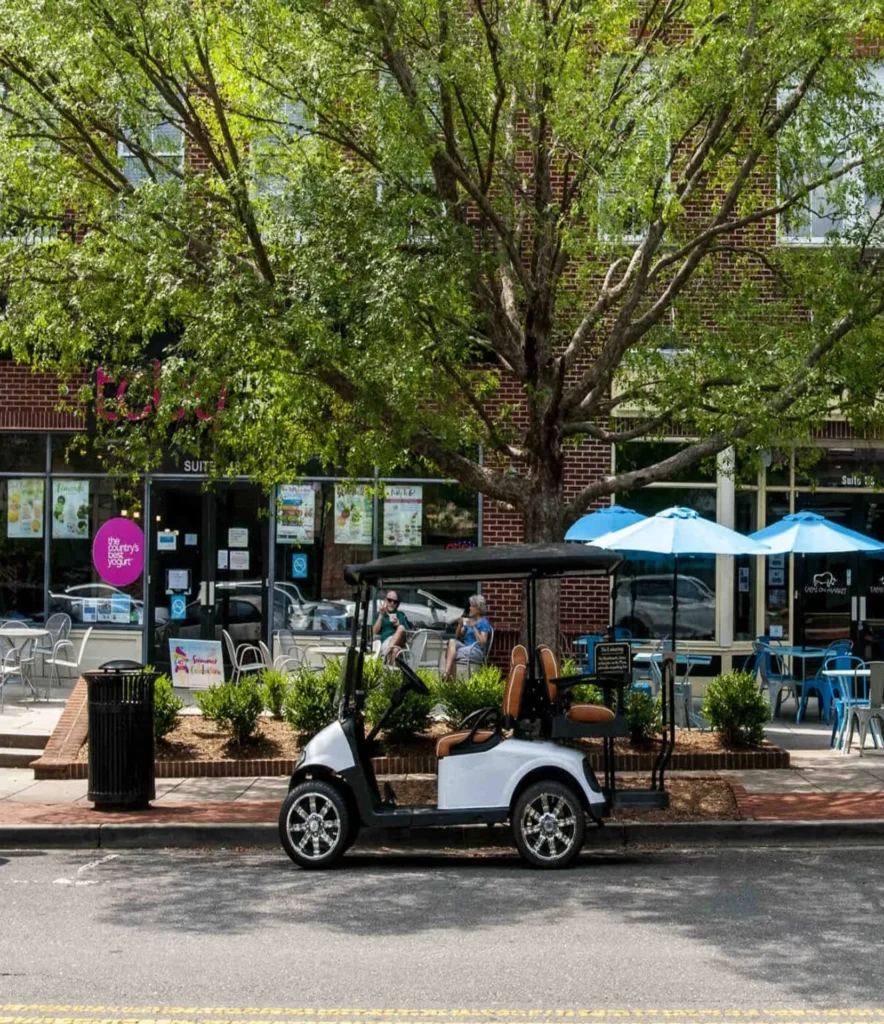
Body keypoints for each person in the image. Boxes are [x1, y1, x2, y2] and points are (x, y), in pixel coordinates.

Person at [442, 595, 491, 680]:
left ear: (478, 608)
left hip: (476, 650)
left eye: (472, 606)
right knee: (452, 641)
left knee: (450, 653)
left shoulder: (484, 622)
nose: (470, 608)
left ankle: (449, 677)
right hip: (466, 647)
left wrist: (474, 627)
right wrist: (460, 624)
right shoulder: (470, 621)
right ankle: (447, 673)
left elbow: (483, 642)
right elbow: (458, 636)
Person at [372, 590, 412, 663]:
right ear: (385, 600)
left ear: (397, 604)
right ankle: (391, 672)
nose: (392, 603)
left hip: (399, 643)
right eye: (389, 600)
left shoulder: (400, 615)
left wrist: (398, 624)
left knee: (401, 627)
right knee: (395, 650)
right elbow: (374, 632)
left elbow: (408, 633)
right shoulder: (379, 614)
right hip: (385, 642)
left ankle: (386, 653)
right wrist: (381, 615)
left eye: (395, 601)